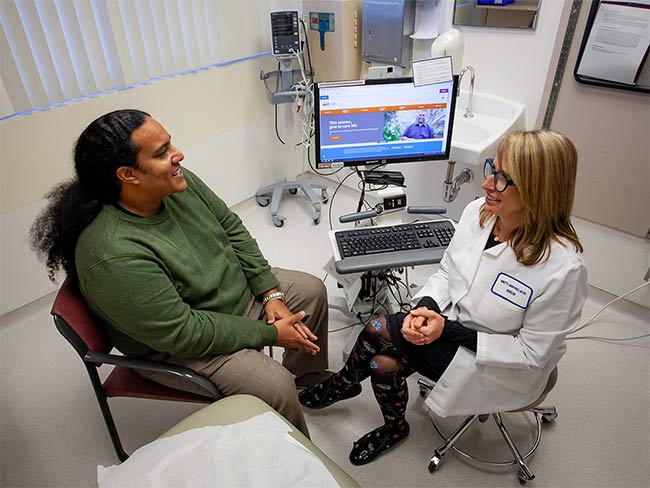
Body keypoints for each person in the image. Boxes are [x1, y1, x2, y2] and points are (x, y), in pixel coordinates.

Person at [30, 109, 330, 437]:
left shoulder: (176, 183)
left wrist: (270, 293)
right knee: (276, 386)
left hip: (229, 297)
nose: (178, 156)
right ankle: (297, 455)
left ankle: (307, 380)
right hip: (182, 345)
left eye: (169, 144)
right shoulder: (113, 255)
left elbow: (230, 227)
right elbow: (183, 332)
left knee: (310, 291)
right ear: (128, 175)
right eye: (161, 153)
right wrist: (272, 334)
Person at [299, 129, 588, 464]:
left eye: (503, 179)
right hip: (453, 325)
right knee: (382, 362)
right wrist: (424, 308)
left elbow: (532, 354)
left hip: (499, 365)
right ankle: (391, 424)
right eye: (492, 169)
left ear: (539, 190)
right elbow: (448, 274)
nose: (487, 184)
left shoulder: (563, 269)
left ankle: (346, 384)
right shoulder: (479, 213)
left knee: (381, 330)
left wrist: (443, 329)